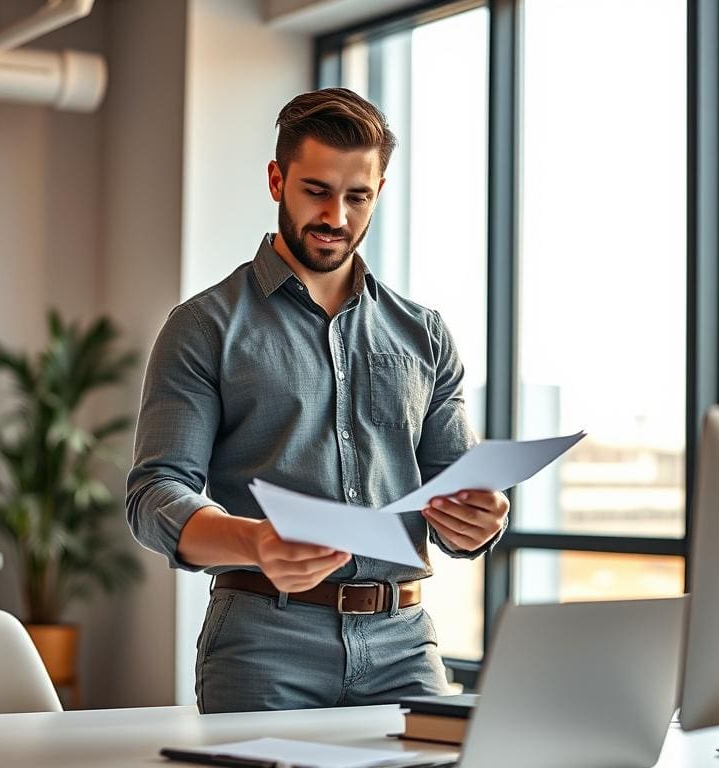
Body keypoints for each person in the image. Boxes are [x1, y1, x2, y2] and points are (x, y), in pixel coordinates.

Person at [126, 87, 510, 714]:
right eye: (316, 190)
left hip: (405, 645)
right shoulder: (204, 327)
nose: (335, 215)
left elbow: (454, 495)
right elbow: (154, 495)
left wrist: (479, 520)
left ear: (378, 193)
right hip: (263, 644)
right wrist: (254, 542)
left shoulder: (425, 334)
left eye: (357, 196)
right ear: (277, 180)